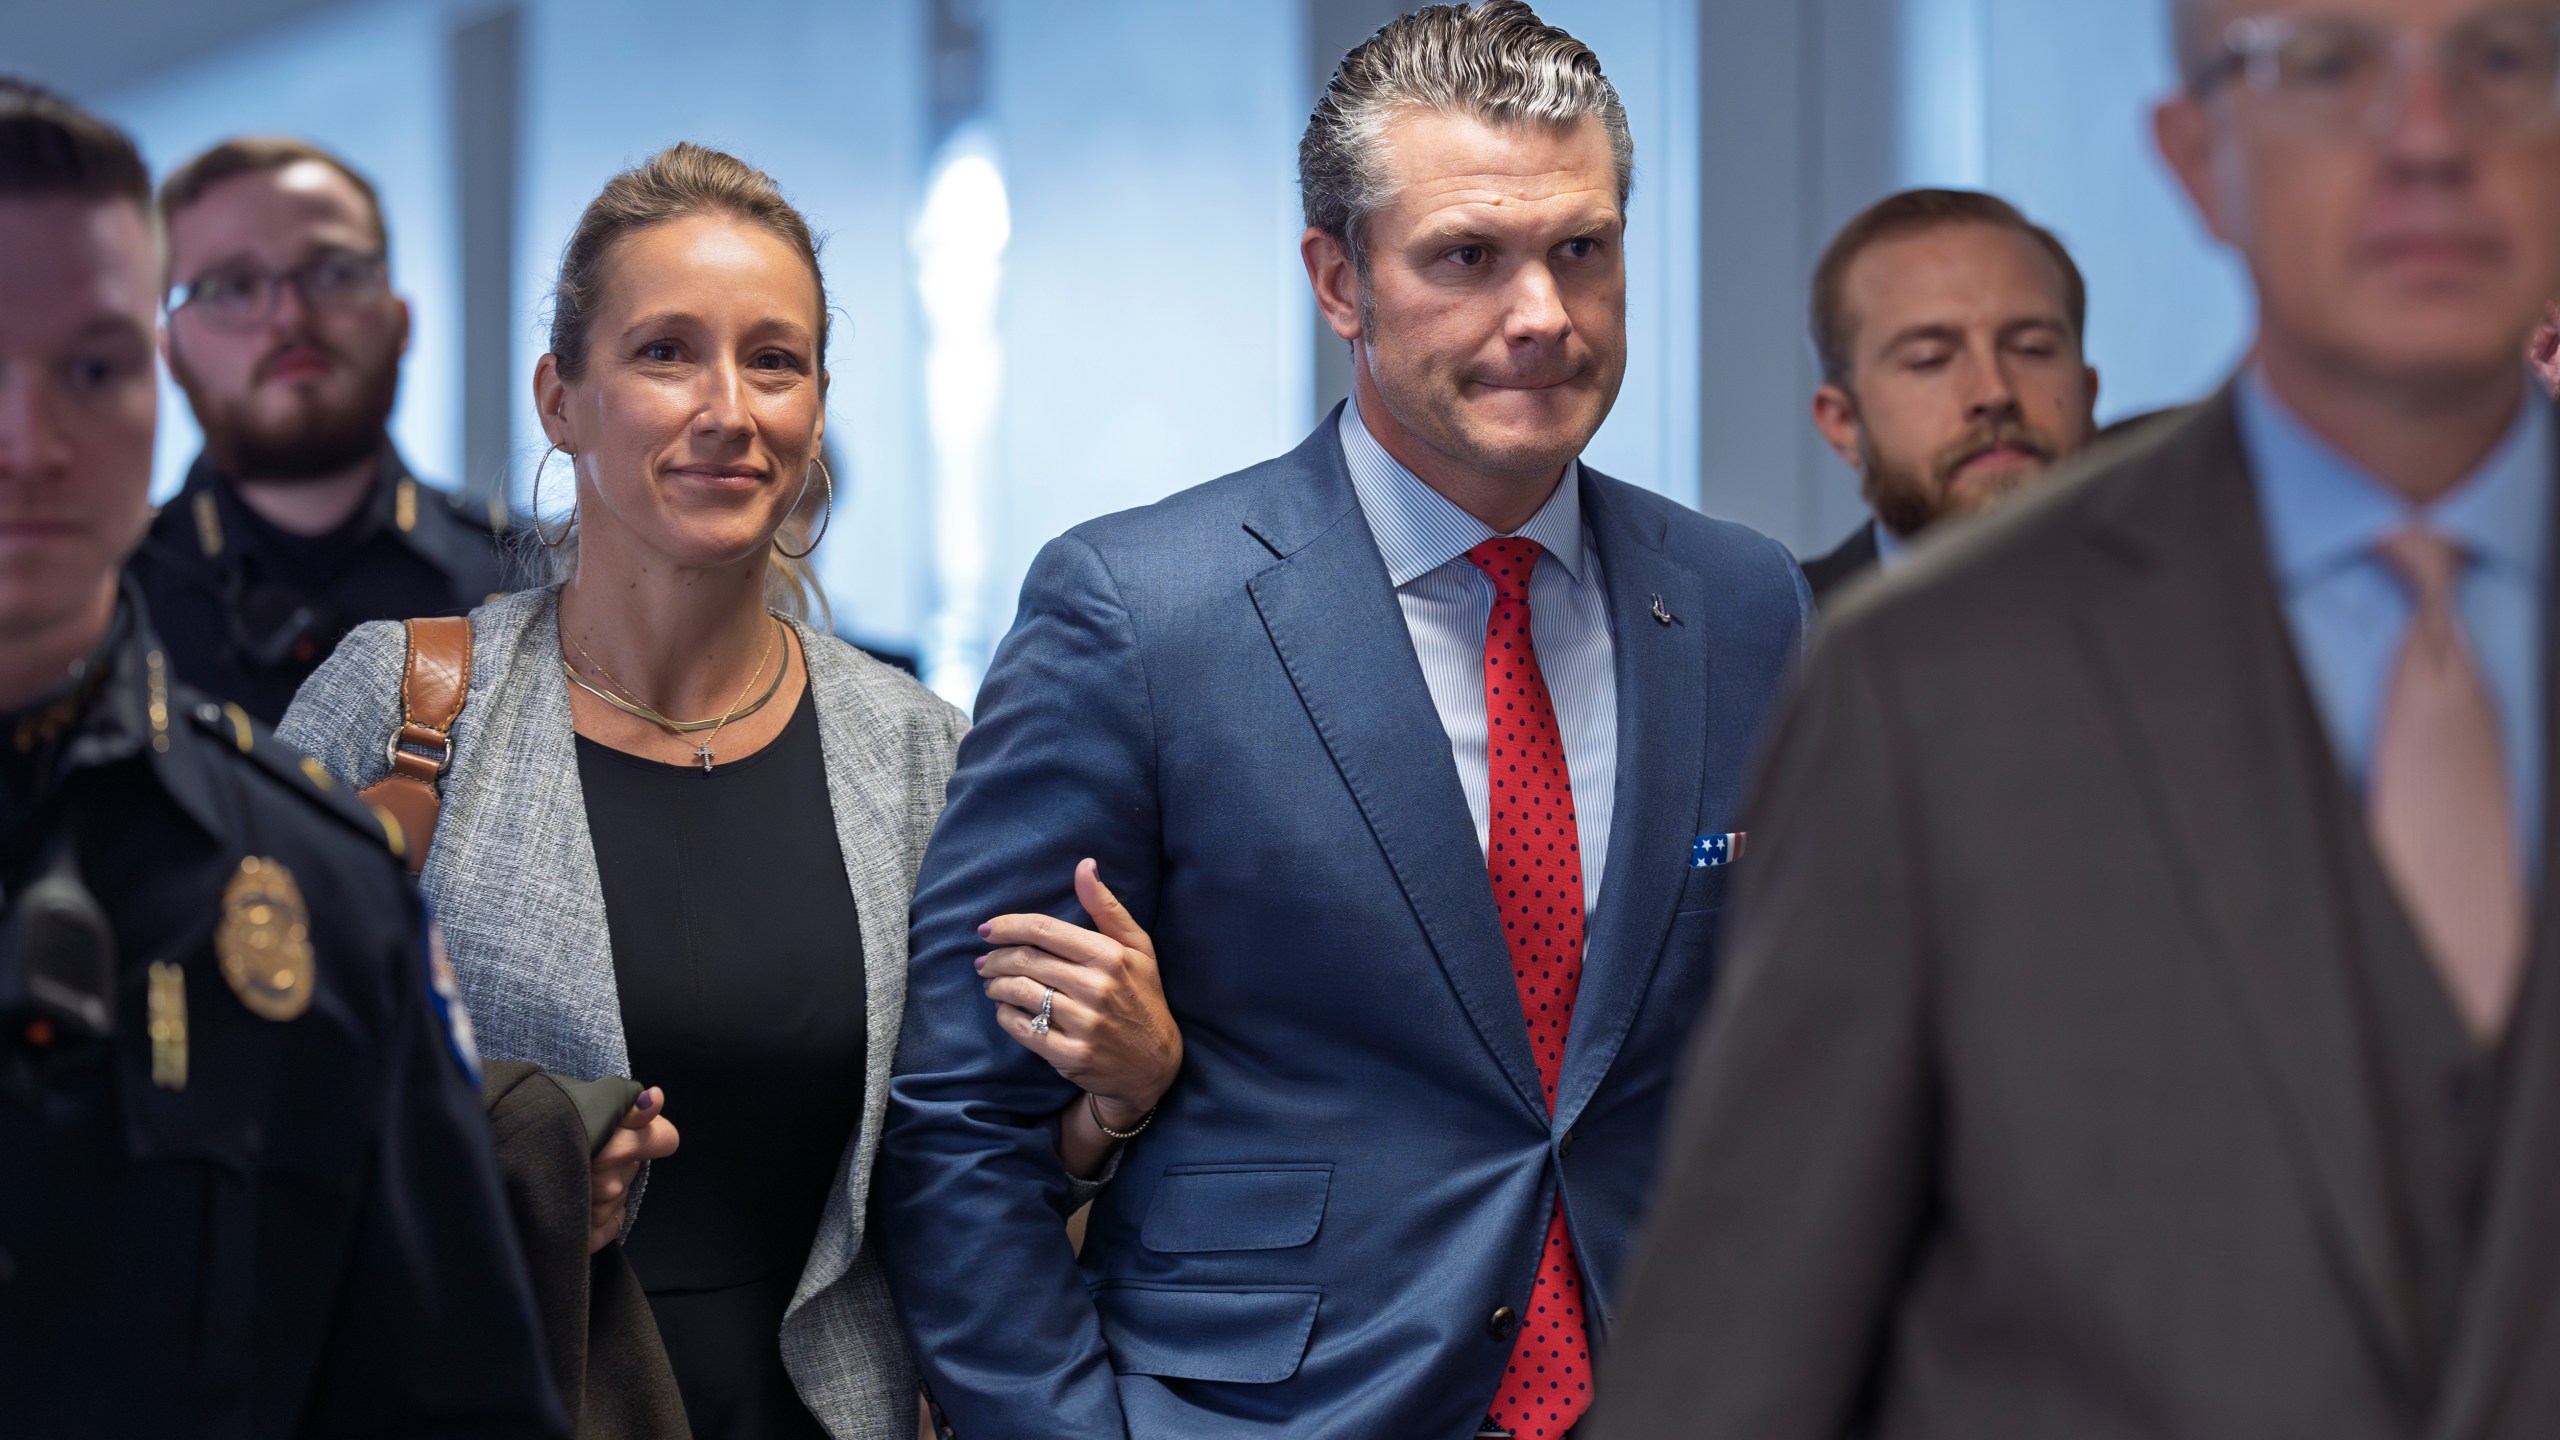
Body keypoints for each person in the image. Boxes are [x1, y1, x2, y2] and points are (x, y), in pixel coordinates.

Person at [1597, 0, 2560, 1435]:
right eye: (2324, 64)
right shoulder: (1919, 680)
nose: (2424, 138)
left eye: (2499, 59)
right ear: (2197, 156)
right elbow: (1747, 1345)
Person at [875, 5, 1808, 1437]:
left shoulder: (1745, 606)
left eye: (1582, 248)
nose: (1543, 314)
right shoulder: (1142, 610)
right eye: (1466, 258)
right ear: (1338, 281)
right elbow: (961, 1125)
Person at [281, 143, 1172, 1440]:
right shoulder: (407, 705)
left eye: (774, 359)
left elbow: (968, 1179)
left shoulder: (919, 752)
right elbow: (251, 1092)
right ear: (560, 398)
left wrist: (1113, 1099)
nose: (729, 408)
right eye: (664, 353)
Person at [0, 77, 562, 1438]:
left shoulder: (322, 889)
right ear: (187, 352)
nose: (27, 446)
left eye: (88, 369)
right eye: (234, 288)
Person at [129, 136, 511, 724]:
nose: (289, 317)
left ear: (401, 320)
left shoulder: (541, 582)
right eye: (233, 287)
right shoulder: (102, 611)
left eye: (332, 273)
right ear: (171, 353)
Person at [1796, 188, 2099, 606]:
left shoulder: (2204, 609)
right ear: (1844, 422)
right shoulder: (1773, 649)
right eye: (1929, 359)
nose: (1995, 393)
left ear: (2088, 392)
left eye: (2033, 348)